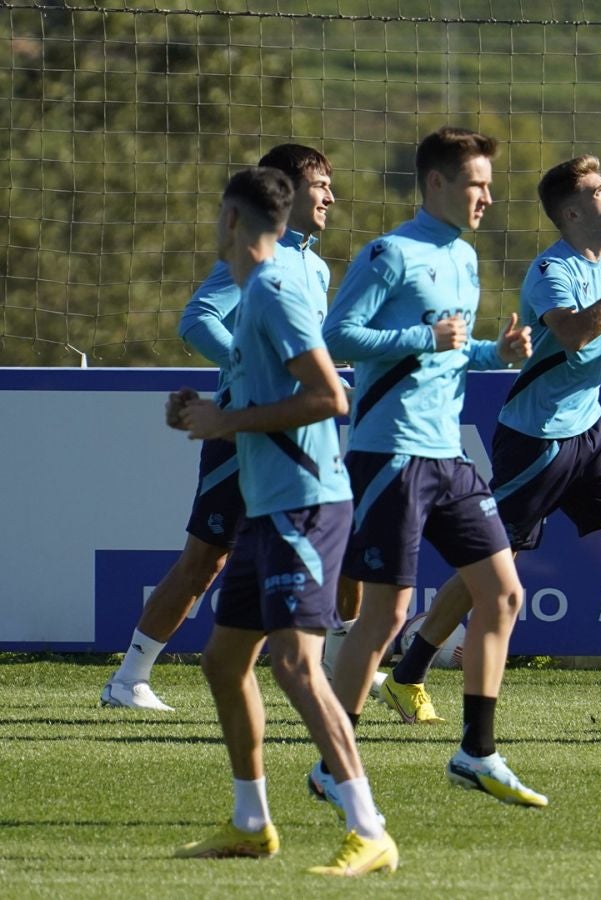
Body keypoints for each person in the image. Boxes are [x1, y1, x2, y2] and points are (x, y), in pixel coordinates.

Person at [397, 154, 601, 726]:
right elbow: (573, 334)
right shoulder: (550, 271)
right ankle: (408, 675)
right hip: (536, 438)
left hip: (591, 429)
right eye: (598, 188)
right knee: (490, 564)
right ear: (571, 210)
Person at [170, 167, 397, 876]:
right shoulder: (252, 293)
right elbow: (259, 389)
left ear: (232, 219)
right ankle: (250, 822)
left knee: (296, 665)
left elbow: (329, 396)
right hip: (269, 502)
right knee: (223, 661)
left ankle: (369, 827)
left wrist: (226, 420)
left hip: (306, 500)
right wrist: (202, 413)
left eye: (217, 215)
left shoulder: (272, 290)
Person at [317, 126, 546, 807]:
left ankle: (477, 753)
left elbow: (448, 351)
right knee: (384, 618)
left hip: (448, 454)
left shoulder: (465, 259)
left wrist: (491, 353)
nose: (488, 198)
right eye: (477, 184)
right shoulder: (390, 253)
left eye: (489, 186)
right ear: (438, 183)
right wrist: (423, 335)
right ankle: (333, 763)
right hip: (390, 455)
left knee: (502, 593)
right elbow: (335, 336)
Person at [99, 143, 362, 711]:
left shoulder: (314, 266)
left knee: (341, 543)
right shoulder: (256, 257)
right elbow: (197, 319)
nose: (331, 198)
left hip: (297, 435)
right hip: (243, 433)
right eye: (322, 186)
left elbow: (298, 347)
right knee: (205, 560)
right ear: (287, 194)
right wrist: (249, 377)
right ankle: (128, 680)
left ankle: (345, 666)